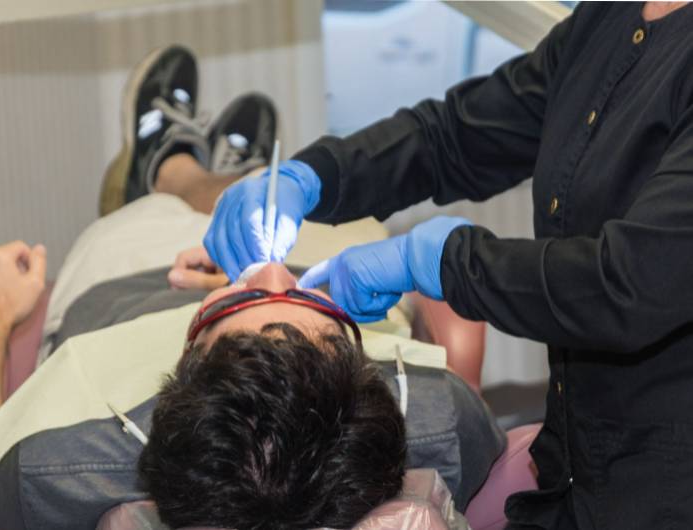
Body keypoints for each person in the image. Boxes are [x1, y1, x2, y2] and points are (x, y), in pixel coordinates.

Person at [0, 46, 505, 530]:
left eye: (245, 295)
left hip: (131, 276)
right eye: (312, 305)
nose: (268, 267)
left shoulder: (66, 462)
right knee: (288, 205)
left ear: (182, 363)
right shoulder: (436, 415)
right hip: (329, 254)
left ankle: (165, 168)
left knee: (155, 210)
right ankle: (240, 167)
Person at [203, 2, 693, 528]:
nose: (275, 278)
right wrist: (316, 176)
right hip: (576, 475)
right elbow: (455, 136)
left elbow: (627, 284)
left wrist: (443, 264)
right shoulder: (611, 16)